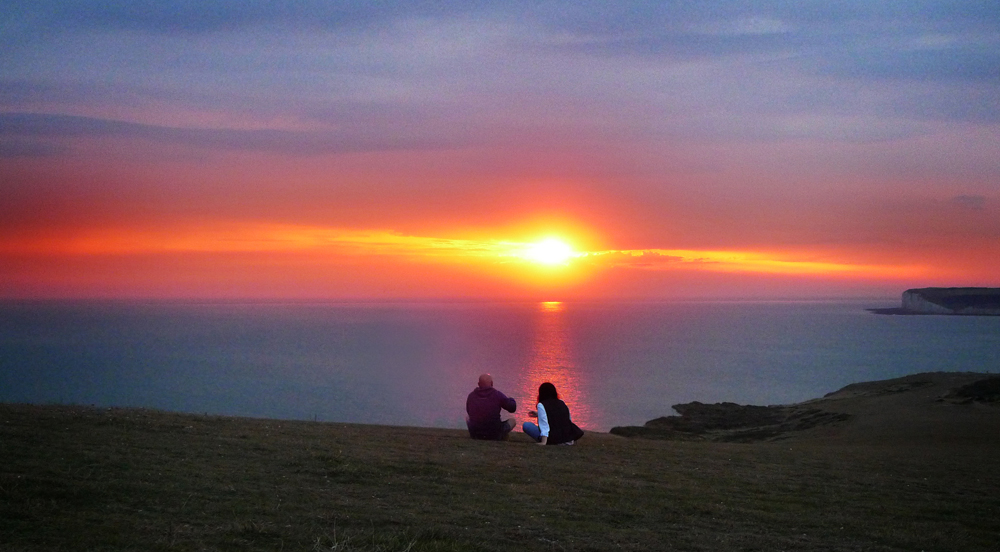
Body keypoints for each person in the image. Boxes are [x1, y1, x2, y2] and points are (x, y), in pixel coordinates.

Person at [466, 373, 517, 440]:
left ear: (478, 384)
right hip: (494, 433)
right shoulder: (497, 395)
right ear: (492, 383)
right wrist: (511, 399)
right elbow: (512, 408)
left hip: (476, 433)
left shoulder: (471, 396)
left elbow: (469, 411)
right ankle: (501, 435)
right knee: (512, 420)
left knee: (467, 418)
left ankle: (476, 434)